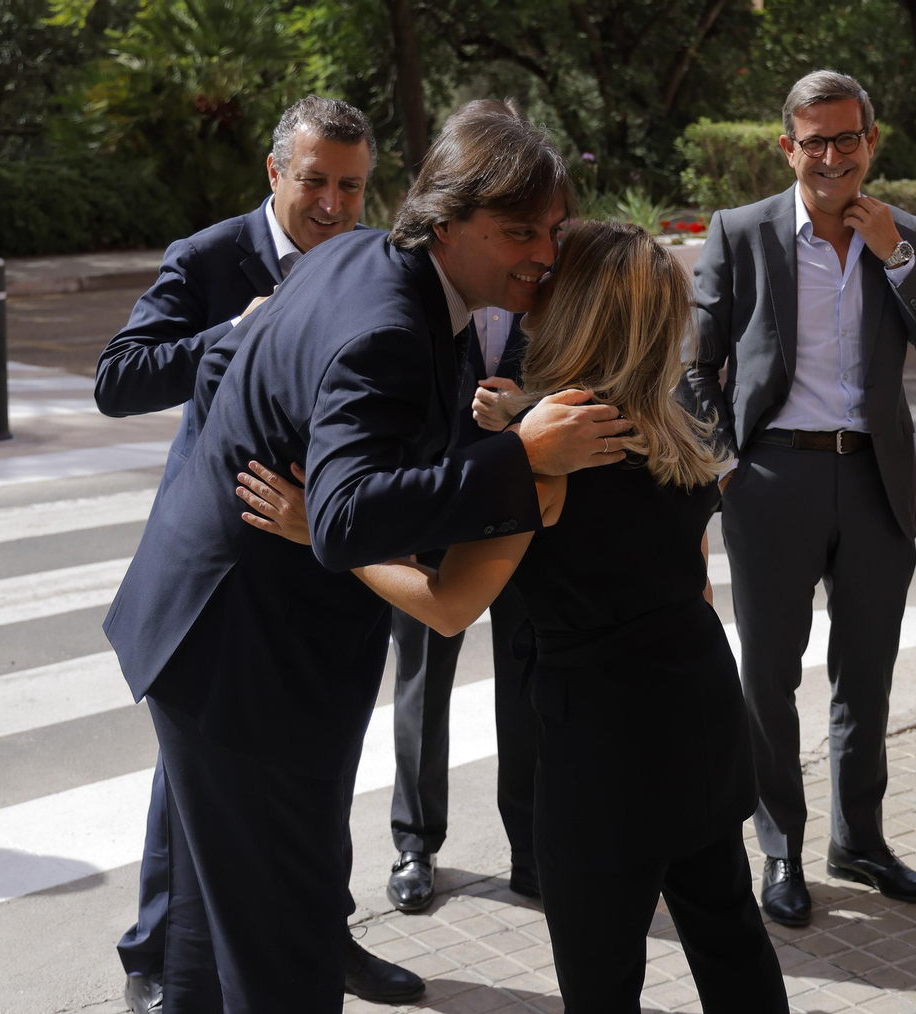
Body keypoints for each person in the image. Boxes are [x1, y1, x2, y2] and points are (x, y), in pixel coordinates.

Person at [101, 112, 627, 1012]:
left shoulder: (364, 257)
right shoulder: (387, 323)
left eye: (552, 230)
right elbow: (343, 519)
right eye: (519, 233)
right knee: (285, 953)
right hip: (247, 664)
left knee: (209, 936)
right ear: (447, 221)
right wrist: (522, 457)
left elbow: (257, 386)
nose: (543, 254)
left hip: (217, 636)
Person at [246, 221, 790, 1013]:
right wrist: (519, 416)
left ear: (574, 311)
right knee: (730, 939)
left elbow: (447, 606)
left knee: (602, 984)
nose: (531, 283)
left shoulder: (552, 464)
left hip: (605, 749)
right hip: (702, 709)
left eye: (549, 280)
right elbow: (695, 580)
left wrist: (327, 537)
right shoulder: (674, 424)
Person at [91, 95, 420, 1009]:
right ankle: (156, 959)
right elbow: (117, 378)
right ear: (274, 173)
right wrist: (231, 333)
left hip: (318, 565)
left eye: (352, 187)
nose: (334, 205)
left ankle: (321, 933)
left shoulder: (372, 260)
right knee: (194, 791)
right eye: (315, 182)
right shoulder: (209, 257)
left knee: (314, 784)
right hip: (220, 567)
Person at [684, 69, 916, 929]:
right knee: (769, 678)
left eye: (848, 139)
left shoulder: (902, 233)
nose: (833, 156)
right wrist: (727, 469)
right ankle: (780, 849)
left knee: (866, 674)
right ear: (789, 148)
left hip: (875, 478)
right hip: (773, 478)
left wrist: (897, 258)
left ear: (870, 143)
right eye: (816, 141)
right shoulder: (741, 233)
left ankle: (861, 841)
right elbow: (695, 367)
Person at [383, 96, 543, 915]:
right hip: (430, 501)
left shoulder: (543, 258)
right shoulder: (410, 275)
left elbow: (584, 369)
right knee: (421, 677)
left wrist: (527, 402)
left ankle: (530, 848)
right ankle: (416, 843)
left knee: (525, 676)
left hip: (519, 500)